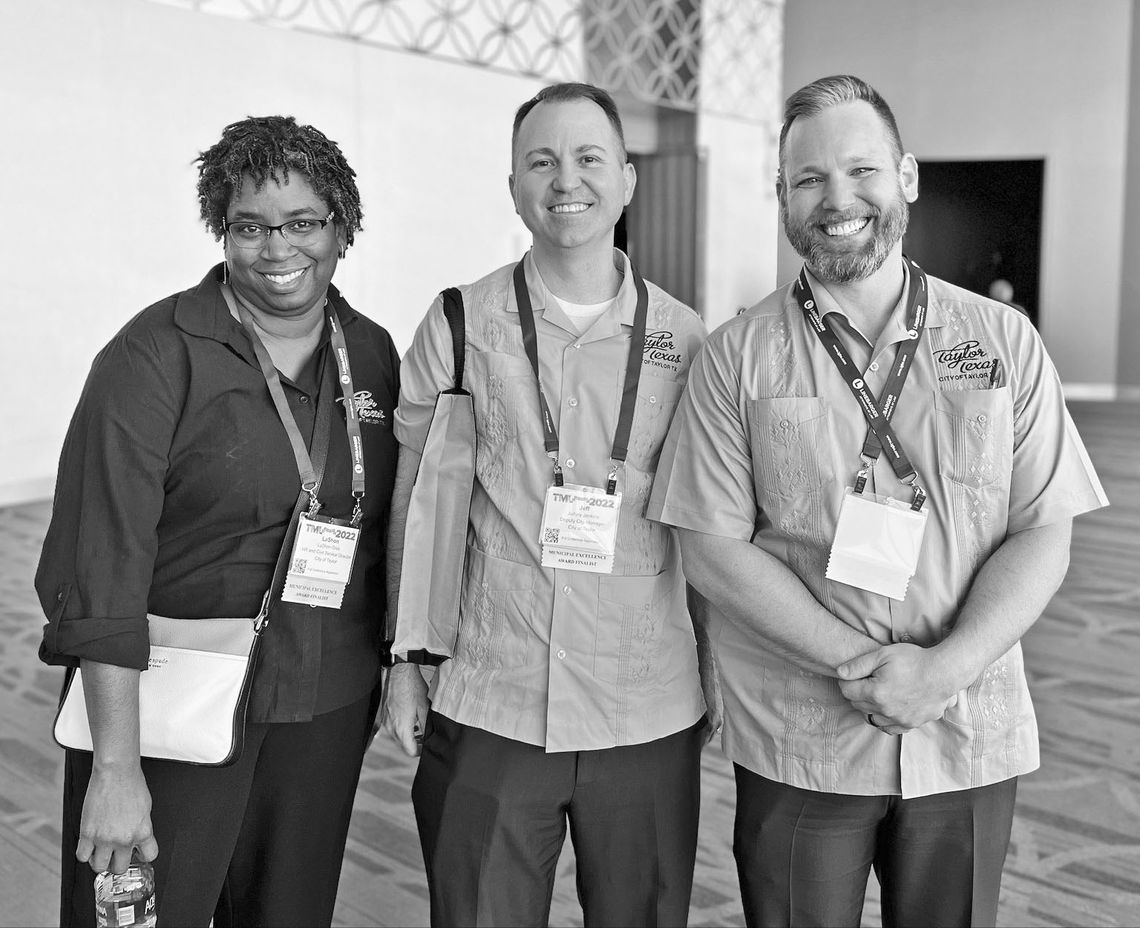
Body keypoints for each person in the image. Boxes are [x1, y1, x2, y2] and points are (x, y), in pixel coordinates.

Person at [648, 75, 1108, 927]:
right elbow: (713, 549)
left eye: (860, 171)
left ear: (906, 177)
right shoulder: (734, 358)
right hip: (802, 740)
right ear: (783, 196)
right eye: (809, 180)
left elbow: (1044, 529)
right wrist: (865, 672)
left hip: (968, 731)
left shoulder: (1002, 341)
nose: (837, 200)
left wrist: (946, 669)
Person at [36, 115, 400, 927]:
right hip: (171, 715)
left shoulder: (370, 353)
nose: (278, 249)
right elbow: (99, 569)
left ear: (342, 227)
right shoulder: (152, 357)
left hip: (322, 709)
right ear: (221, 233)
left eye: (303, 222)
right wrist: (115, 769)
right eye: (249, 227)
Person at [381, 82, 718, 927]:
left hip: (646, 706)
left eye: (588, 158)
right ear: (514, 189)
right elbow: (416, 502)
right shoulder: (460, 323)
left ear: (628, 180)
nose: (566, 179)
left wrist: (722, 675)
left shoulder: (689, 342)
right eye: (541, 161)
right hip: (490, 696)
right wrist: (405, 661)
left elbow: (715, 526)